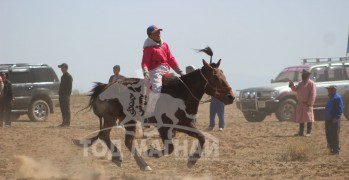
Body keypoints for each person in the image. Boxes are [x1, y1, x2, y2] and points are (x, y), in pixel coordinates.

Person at [141, 25, 184, 117]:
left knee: (179, 85)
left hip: (166, 70)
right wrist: (145, 72)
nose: (158, 34)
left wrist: (180, 72)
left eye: (159, 32)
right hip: (155, 72)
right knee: (156, 88)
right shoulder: (148, 48)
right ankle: (149, 113)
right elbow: (145, 62)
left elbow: (171, 59)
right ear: (150, 35)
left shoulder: (165, 45)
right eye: (155, 33)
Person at [289, 69, 316, 136]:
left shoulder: (311, 83)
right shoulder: (300, 83)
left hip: (307, 104)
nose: (303, 76)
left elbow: (313, 94)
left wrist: (310, 103)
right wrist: (292, 85)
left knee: (309, 118)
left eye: (304, 75)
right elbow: (295, 89)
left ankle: (308, 132)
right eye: (302, 74)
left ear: (307, 75)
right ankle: (301, 132)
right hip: (301, 103)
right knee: (301, 118)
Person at [324, 85, 343, 155]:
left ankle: (336, 150)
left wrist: (336, 118)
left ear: (334, 90)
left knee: (334, 135)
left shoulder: (337, 98)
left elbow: (340, 109)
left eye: (329, 89)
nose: (328, 90)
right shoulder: (330, 97)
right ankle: (331, 148)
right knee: (328, 134)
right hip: (328, 119)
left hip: (334, 120)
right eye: (328, 89)